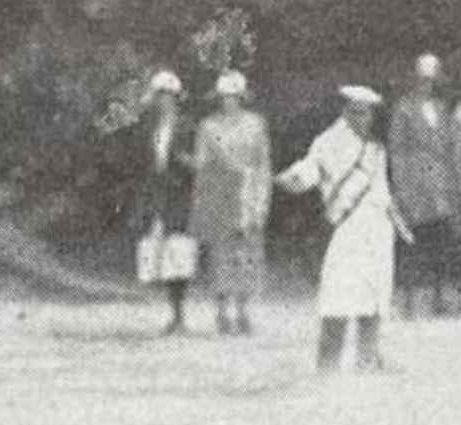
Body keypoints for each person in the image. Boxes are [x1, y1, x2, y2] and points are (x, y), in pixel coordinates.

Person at [278, 86, 410, 373]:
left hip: (378, 228)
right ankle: (328, 364)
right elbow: (312, 167)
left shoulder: (374, 147)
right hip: (348, 229)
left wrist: (396, 220)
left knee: (374, 297)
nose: (363, 118)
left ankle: (367, 358)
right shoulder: (328, 141)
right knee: (338, 297)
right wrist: (296, 177)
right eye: (356, 112)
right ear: (345, 112)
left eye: (367, 113)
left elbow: (381, 188)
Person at [187, 70, 272, 335]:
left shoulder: (256, 124)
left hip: (248, 192)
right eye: (225, 96)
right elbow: (201, 163)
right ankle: (222, 312)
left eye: (234, 96)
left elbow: (263, 163)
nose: (229, 101)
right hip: (219, 193)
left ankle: (243, 312)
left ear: (242, 98)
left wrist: (262, 200)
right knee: (221, 255)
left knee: (247, 254)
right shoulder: (208, 126)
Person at [388, 53, 461, 315]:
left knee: (440, 241)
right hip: (415, 183)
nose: (427, 85)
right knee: (413, 242)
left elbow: (450, 146)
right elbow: (397, 151)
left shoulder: (442, 108)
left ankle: (438, 298)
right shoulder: (403, 108)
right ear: (414, 81)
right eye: (423, 80)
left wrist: (453, 181)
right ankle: (408, 301)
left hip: (440, 184)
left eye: (431, 80)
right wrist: (401, 186)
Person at [129, 70, 196, 334]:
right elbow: (145, 163)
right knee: (162, 253)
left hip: (180, 195)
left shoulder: (187, 126)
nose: (163, 101)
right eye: (159, 96)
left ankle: (180, 315)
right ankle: (173, 313)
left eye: (168, 96)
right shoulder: (151, 129)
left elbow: (200, 161)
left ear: (176, 98)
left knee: (179, 251)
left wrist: (183, 162)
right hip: (158, 195)